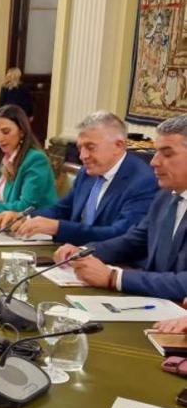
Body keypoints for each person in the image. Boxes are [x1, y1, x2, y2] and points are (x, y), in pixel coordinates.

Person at [55, 114, 187, 301]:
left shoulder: (148, 183)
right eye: (156, 152)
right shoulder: (165, 196)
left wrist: (115, 278)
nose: (154, 162)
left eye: (167, 154)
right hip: (154, 301)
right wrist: (84, 251)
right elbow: (134, 240)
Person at [0, 111, 158, 245]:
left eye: (90, 147)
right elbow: (62, 209)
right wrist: (24, 217)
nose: (82, 156)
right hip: (71, 253)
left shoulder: (142, 181)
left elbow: (120, 234)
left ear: (118, 146)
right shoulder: (87, 172)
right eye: (80, 148)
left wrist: (58, 228)